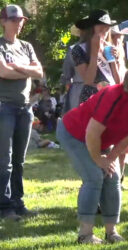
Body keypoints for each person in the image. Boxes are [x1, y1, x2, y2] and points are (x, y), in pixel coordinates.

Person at [56, 63, 128, 244]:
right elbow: (92, 132)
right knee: (94, 177)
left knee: (112, 177)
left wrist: (111, 158)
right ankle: (85, 235)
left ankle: (111, 232)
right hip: (75, 134)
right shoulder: (113, 97)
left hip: (101, 140)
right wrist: (98, 159)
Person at [0, 4, 43, 220]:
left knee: (19, 160)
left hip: (25, 108)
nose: (19, 24)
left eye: (21, 20)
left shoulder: (26, 46)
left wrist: (19, 68)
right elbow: (3, 72)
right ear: (3, 21)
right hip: (4, 107)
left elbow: (39, 72)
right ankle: (4, 206)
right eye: (14, 20)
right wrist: (24, 71)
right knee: (4, 160)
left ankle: (18, 203)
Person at [72, 9, 119, 104]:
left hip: (112, 96)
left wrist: (114, 60)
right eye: (101, 27)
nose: (105, 31)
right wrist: (94, 52)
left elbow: (118, 82)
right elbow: (88, 81)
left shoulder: (109, 47)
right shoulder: (79, 49)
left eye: (107, 28)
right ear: (92, 28)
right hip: (92, 98)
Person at [110, 23, 128, 190]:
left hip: (126, 100)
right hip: (115, 101)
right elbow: (117, 81)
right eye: (115, 35)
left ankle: (120, 179)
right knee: (116, 142)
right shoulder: (109, 54)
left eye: (120, 36)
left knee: (125, 144)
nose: (118, 38)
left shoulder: (121, 54)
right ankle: (113, 179)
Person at [61, 25, 85, 114]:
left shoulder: (73, 49)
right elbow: (67, 74)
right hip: (79, 88)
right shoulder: (73, 49)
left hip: (78, 89)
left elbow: (67, 74)